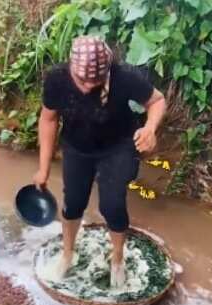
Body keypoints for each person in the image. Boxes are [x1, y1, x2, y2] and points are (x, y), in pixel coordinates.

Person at [33, 36, 167, 287]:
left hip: (118, 147)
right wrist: (43, 168)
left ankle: (117, 260)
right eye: (81, 80)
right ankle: (68, 253)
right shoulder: (58, 79)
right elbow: (48, 120)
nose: (86, 87)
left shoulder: (123, 76)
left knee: (112, 204)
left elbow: (156, 100)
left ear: (106, 71)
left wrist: (150, 128)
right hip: (77, 147)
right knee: (73, 202)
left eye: (93, 81)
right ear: (72, 69)